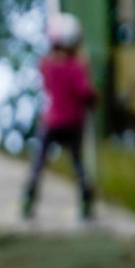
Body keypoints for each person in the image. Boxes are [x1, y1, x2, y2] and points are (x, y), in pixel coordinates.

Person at [22, 14, 96, 222]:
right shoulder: (77, 67)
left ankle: (28, 200)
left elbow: (46, 85)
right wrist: (93, 97)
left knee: (39, 162)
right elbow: (85, 93)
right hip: (73, 122)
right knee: (78, 163)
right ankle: (86, 202)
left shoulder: (47, 65)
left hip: (52, 121)